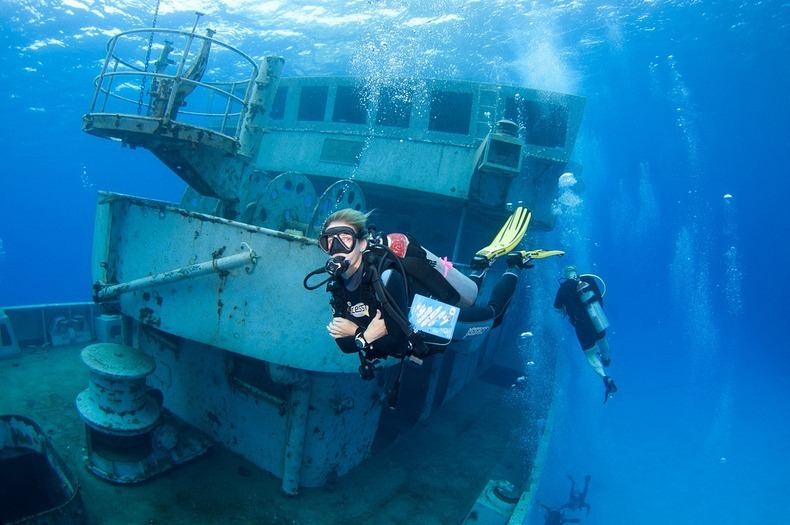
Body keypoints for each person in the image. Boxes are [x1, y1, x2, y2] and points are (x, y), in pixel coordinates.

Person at [318, 208, 530, 379]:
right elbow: (343, 343)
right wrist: (365, 336)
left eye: (345, 238)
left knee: (494, 316)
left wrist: (360, 336)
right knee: (469, 302)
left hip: (428, 318)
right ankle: (481, 265)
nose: (336, 246)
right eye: (329, 240)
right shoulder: (337, 285)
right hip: (409, 325)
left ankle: (515, 265)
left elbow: (398, 344)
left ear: (362, 243)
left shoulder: (386, 277)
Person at [554, 265, 617, 402]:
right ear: (576, 272)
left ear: (565, 275)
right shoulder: (589, 279)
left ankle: (605, 377)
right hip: (597, 317)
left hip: (581, 324)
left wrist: (566, 307)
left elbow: (557, 308)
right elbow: (600, 297)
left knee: (590, 353)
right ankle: (606, 359)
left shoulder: (563, 288)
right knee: (602, 340)